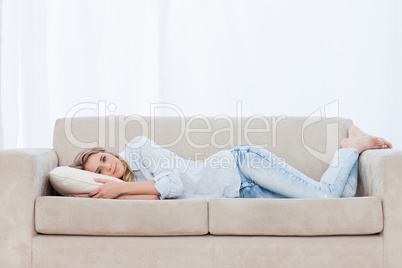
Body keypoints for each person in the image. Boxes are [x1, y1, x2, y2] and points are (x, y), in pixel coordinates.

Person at [67, 126, 392, 200]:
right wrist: (98, 194)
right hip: (242, 194)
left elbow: (172, 185)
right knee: (340, 201)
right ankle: (350, 150)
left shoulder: (138, 149)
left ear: (111, 153)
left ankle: (349, 148)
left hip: (241, 165)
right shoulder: (130, 192)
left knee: (325, 198)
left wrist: (116, 190)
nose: (107, 168)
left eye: (104, 158)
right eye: (98, 171)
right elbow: (155, 197)